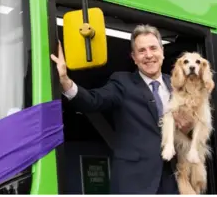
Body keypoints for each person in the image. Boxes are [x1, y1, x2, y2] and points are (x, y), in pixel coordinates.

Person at [51, 24, 193, 194]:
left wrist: (189, 128)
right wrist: (65, 81)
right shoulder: (122, 82)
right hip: (134, 182)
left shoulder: (177, 85)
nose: (148, 55)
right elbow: (92, 101)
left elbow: (195, 127)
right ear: (134, 57)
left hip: (173, 179)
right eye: (141, 51)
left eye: (153, 48)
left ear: (162, 51)